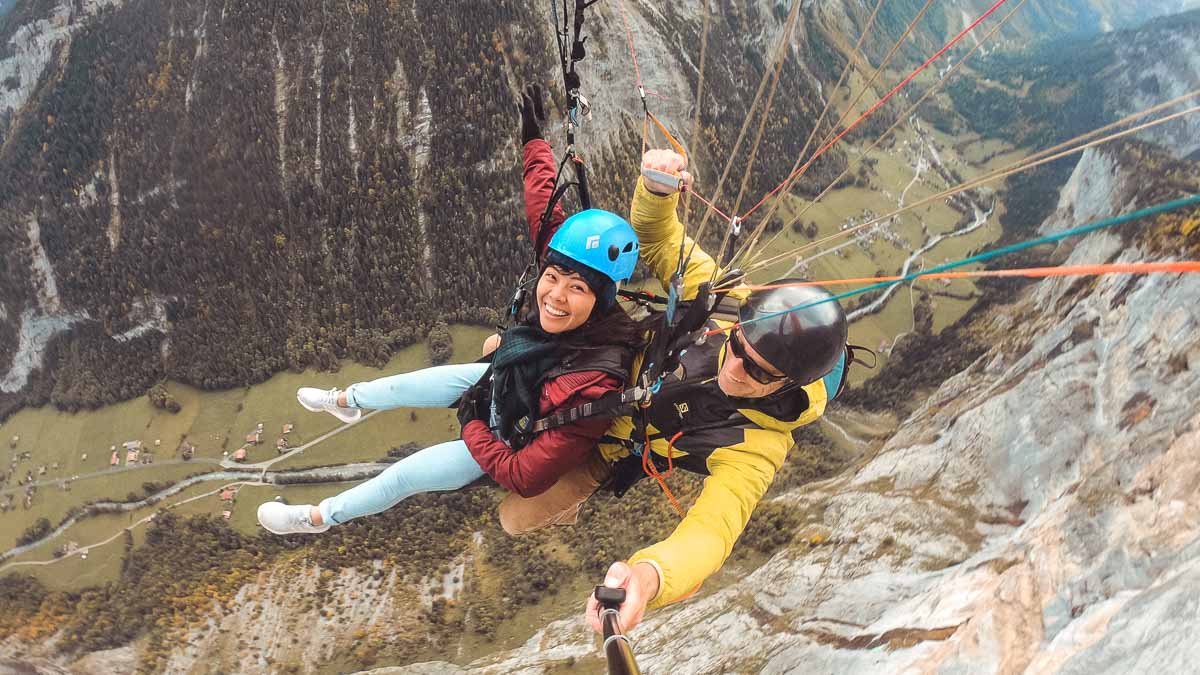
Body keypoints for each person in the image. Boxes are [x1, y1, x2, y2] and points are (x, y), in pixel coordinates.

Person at [254, 87, 646, 536]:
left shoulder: (598, 383)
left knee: (402, 476)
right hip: (503, 377)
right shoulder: (568, 280)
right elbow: (544, 209)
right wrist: (534, 142)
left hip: (499, 438)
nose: (555, 295)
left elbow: (525, 475)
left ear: (601, 299)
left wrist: (473, 422)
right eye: (553, 276)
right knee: (399, 385)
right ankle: (345, 402)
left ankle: (315, 518)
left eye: (576, 288)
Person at [495, 148, 850, 635]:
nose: (736, 369)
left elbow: (710, 533)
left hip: (609, 448)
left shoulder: (760, 446)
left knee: (513, 517)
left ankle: (564, 500)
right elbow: (662, 241)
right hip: (595, 367)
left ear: (791, 384)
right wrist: (658, 190)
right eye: (739, 347)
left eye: (759, 372)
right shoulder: (727, 303)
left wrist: (646, 578)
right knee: (494, 368)